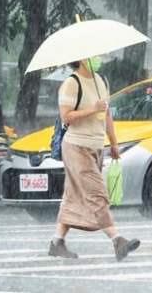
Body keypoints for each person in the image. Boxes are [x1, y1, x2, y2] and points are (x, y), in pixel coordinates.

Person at [48, 56, 140, 260]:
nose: (96, 59)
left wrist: (113, 143)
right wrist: (92, 109)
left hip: (96, 147)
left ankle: (57, 242)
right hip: (76, 147)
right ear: (81, 58)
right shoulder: (71, 83)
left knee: (73, 197)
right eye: (92, 56)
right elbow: (66, 116)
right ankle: (117, 240)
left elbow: (106, 115)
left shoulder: (101, 81)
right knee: (97, 194)